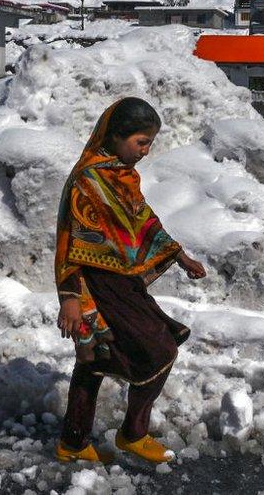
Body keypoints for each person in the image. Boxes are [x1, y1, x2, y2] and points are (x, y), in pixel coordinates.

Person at [54, 97, 207, 464]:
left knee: (95, 360)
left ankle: (72, 444)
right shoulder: (87, 181)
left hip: (123, 283)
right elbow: (70, 241)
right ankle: (132, 434)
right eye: (140, 141)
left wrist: (177, 254)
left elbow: (142, 219)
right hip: (98, 285)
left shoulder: (121, 177)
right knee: (160, 349)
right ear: (116, 136)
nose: (145, 150)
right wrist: (71, 298)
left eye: (150, 143)